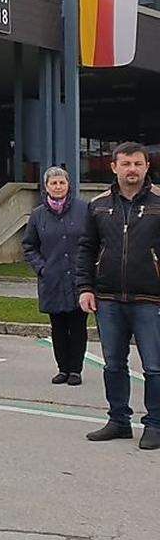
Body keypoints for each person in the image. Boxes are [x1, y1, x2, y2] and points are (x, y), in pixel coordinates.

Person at [76, 142, 160, 450]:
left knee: (154, 366)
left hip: (151, 299)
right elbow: (86, 249)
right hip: (108, 298)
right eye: (125, 164)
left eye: (137, 164)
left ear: (146, 166)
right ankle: (118, 421)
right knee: (113, 364)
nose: (132, 169)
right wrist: (85, 288)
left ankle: (155, 424)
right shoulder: (97, 205)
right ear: (114, 167)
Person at [22, 166, 90, 386]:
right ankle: (62, 369)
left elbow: (94, 242)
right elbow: (29, 246)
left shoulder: (84, 210)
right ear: (46, 186)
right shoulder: (38, 215)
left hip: (78, 279)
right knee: (58, 327)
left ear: (68, 185)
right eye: (54, 183)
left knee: (78, 326)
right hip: (52, 279)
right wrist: (42, 268)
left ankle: (76, 370)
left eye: (62, 182)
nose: (58, 187)